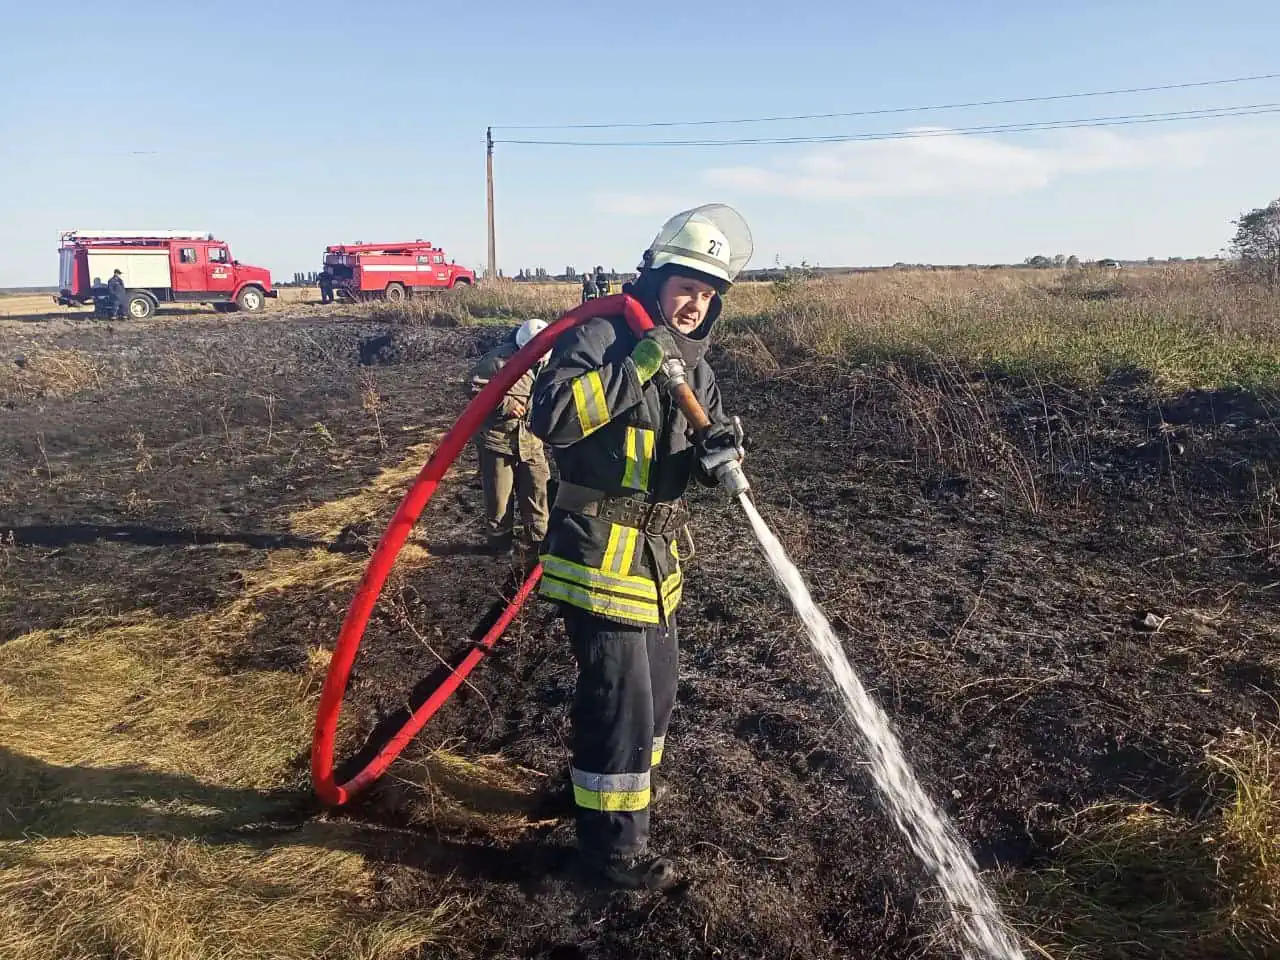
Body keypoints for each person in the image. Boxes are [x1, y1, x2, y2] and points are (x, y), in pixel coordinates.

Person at [529, 205, 751, 891]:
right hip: (597, 555)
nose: (695, 304)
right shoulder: (602, 337)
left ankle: (601, 794)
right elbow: (553, 418)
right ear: (656, 281)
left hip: (657, 563)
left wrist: (717, 456)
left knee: (655, 698)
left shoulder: (697, 367)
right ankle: (613, 853)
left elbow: (684, 456)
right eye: (686, 287)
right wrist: (640, 366)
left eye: (707, 294)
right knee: (620, 700)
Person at [467, 318, 553, 553]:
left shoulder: (549, 360)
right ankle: (500, 546)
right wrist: (506, 405)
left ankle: (538, 543)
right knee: (499, 498)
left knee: (538, 490)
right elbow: (473, 388)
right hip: (498, 441)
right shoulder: (497, 361)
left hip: (531, 440)